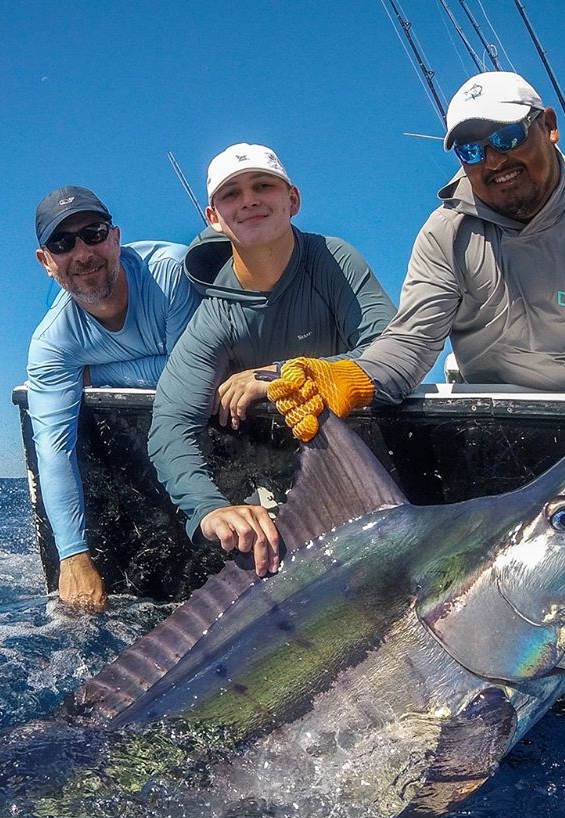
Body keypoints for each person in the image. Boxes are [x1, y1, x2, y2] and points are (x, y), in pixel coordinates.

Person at [266, 71, 565, 443]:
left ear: (549, 125)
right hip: (489, 423)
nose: (493, 160)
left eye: (507, 136)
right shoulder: (445, 233)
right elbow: (411, 344)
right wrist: (347, 377)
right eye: (472, 150)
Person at [147, 143, 396, 577]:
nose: (249, 200)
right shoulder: (216, 314)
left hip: (365, 469)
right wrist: (209, 510)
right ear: (214, 218)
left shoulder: (333, 262)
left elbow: (391, 350)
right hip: (272, 475)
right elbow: (169, 424)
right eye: (231, 194)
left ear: (292, 200)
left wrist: (277, 374)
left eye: (263, 185)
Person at [28, 185, 198, 611]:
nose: (83, 252)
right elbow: (53, 448)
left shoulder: (172, 273)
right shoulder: (51, 345)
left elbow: (194, 376)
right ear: (46, 262)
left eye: (94, 233)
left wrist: (94, 374)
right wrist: (72, 556)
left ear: (116, 238)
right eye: (62, 243)